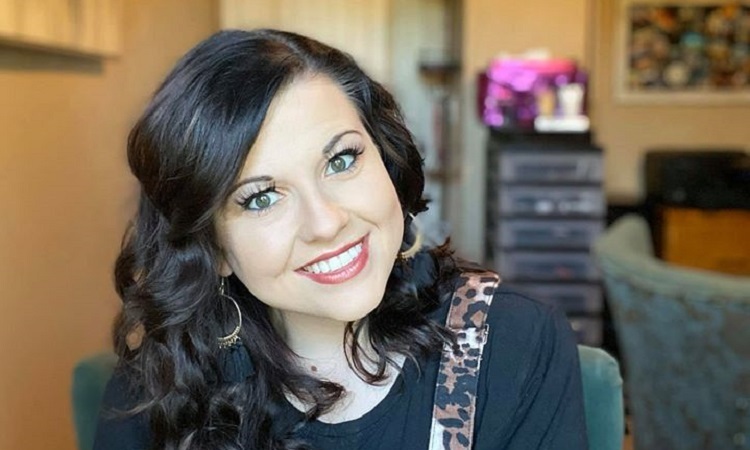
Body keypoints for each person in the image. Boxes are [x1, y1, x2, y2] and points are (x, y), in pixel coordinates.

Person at [94, 29, 588, 450]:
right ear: (213, 245)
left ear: (385, 157)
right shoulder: (157, 394)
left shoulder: (514, 342)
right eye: (262, 197)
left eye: (341, 160)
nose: (326, 223)